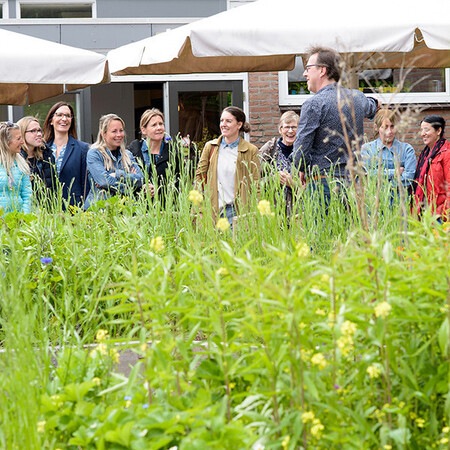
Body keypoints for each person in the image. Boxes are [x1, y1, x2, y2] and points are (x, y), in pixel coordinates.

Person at [293, 46, 379, 209]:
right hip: (354, 184)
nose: (304, 74)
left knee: (324, 234)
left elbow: (300, 152)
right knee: (351, 233)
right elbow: (373, 105)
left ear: (322, 71)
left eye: (308, 68)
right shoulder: (357, 97)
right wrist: (375, 102)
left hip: (322, 184)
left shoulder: (313, 104)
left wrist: (301, 168)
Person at [194, 106, 260, 226]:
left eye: (228, 121)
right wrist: (199, 210)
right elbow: (199, 178)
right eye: (221, 120)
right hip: (212, 210)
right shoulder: (211, 147)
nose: (223, 124)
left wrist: (255, 212)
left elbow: (256, 184)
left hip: (237, 212)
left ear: (239, 125)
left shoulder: (251, 150)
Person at [84, 114, 144, 209]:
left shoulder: (127, 154)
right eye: (114, 131)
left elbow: (140, 179)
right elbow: (103, 181)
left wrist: (117, 174)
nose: (119, 135)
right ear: (104, 134)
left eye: (121, 130)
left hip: (127, 210)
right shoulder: (94, 154)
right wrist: (129, 187)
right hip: (100, 211)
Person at [127, 108, 182, 200]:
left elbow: (177, 184)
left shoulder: (172, 153)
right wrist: (141, 187)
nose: (159, 128)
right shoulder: (132, 153)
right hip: (137, 207)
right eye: (154, 125)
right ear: (143, 130)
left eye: (161, 124)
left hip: (164, 209)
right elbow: (125, 181)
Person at [43, 101, 89, 208]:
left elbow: (86, 185)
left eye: (68, 116)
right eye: (59, 115)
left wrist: (84, 210)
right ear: (51, 120)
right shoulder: (42, 149)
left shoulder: (83, 149)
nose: (64, 119)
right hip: (48, 210)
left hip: (74, 209)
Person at [361, 109, 416, 198]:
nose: (389, 131)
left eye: (392, 126)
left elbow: (408, 179)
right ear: (377, 127)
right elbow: (367, 175)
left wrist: (382, 185)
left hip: (400, 205)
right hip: (375, 204)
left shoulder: (407, 150)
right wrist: (394, 172)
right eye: (385, 127)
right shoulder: (367, 149)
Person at [258, 110, 300, 216]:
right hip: (272, 212)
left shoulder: (303, 152)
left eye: (294, 127)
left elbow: (310, 188)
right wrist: (274, 178)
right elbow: (255, 180)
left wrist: (292, 184)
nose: (290, 131)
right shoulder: (269, 149)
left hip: (296, 213)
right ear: (280, 130)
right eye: (287, 127)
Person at [413, 115, 450, 221]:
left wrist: (442, 214)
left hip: (438, 217)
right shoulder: (425, 154)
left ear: (438, 131)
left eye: (426, 130)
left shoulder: (446, 154)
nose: (422, 134)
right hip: (423, 214)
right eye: (421, 130)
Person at [18, 116, 57, 206]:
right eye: (33, 131)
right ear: (22, 133)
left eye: (39, 130)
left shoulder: (47, 155)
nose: (39, 134)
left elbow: (54, 187)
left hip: (46, 212)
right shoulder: (16, 158)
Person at [0, 121, 32, 214]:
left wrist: (24, 217)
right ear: (6, 142)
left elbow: (27, 195)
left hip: (18, 222)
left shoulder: (22, 164)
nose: (22, 142)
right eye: (18, 139)